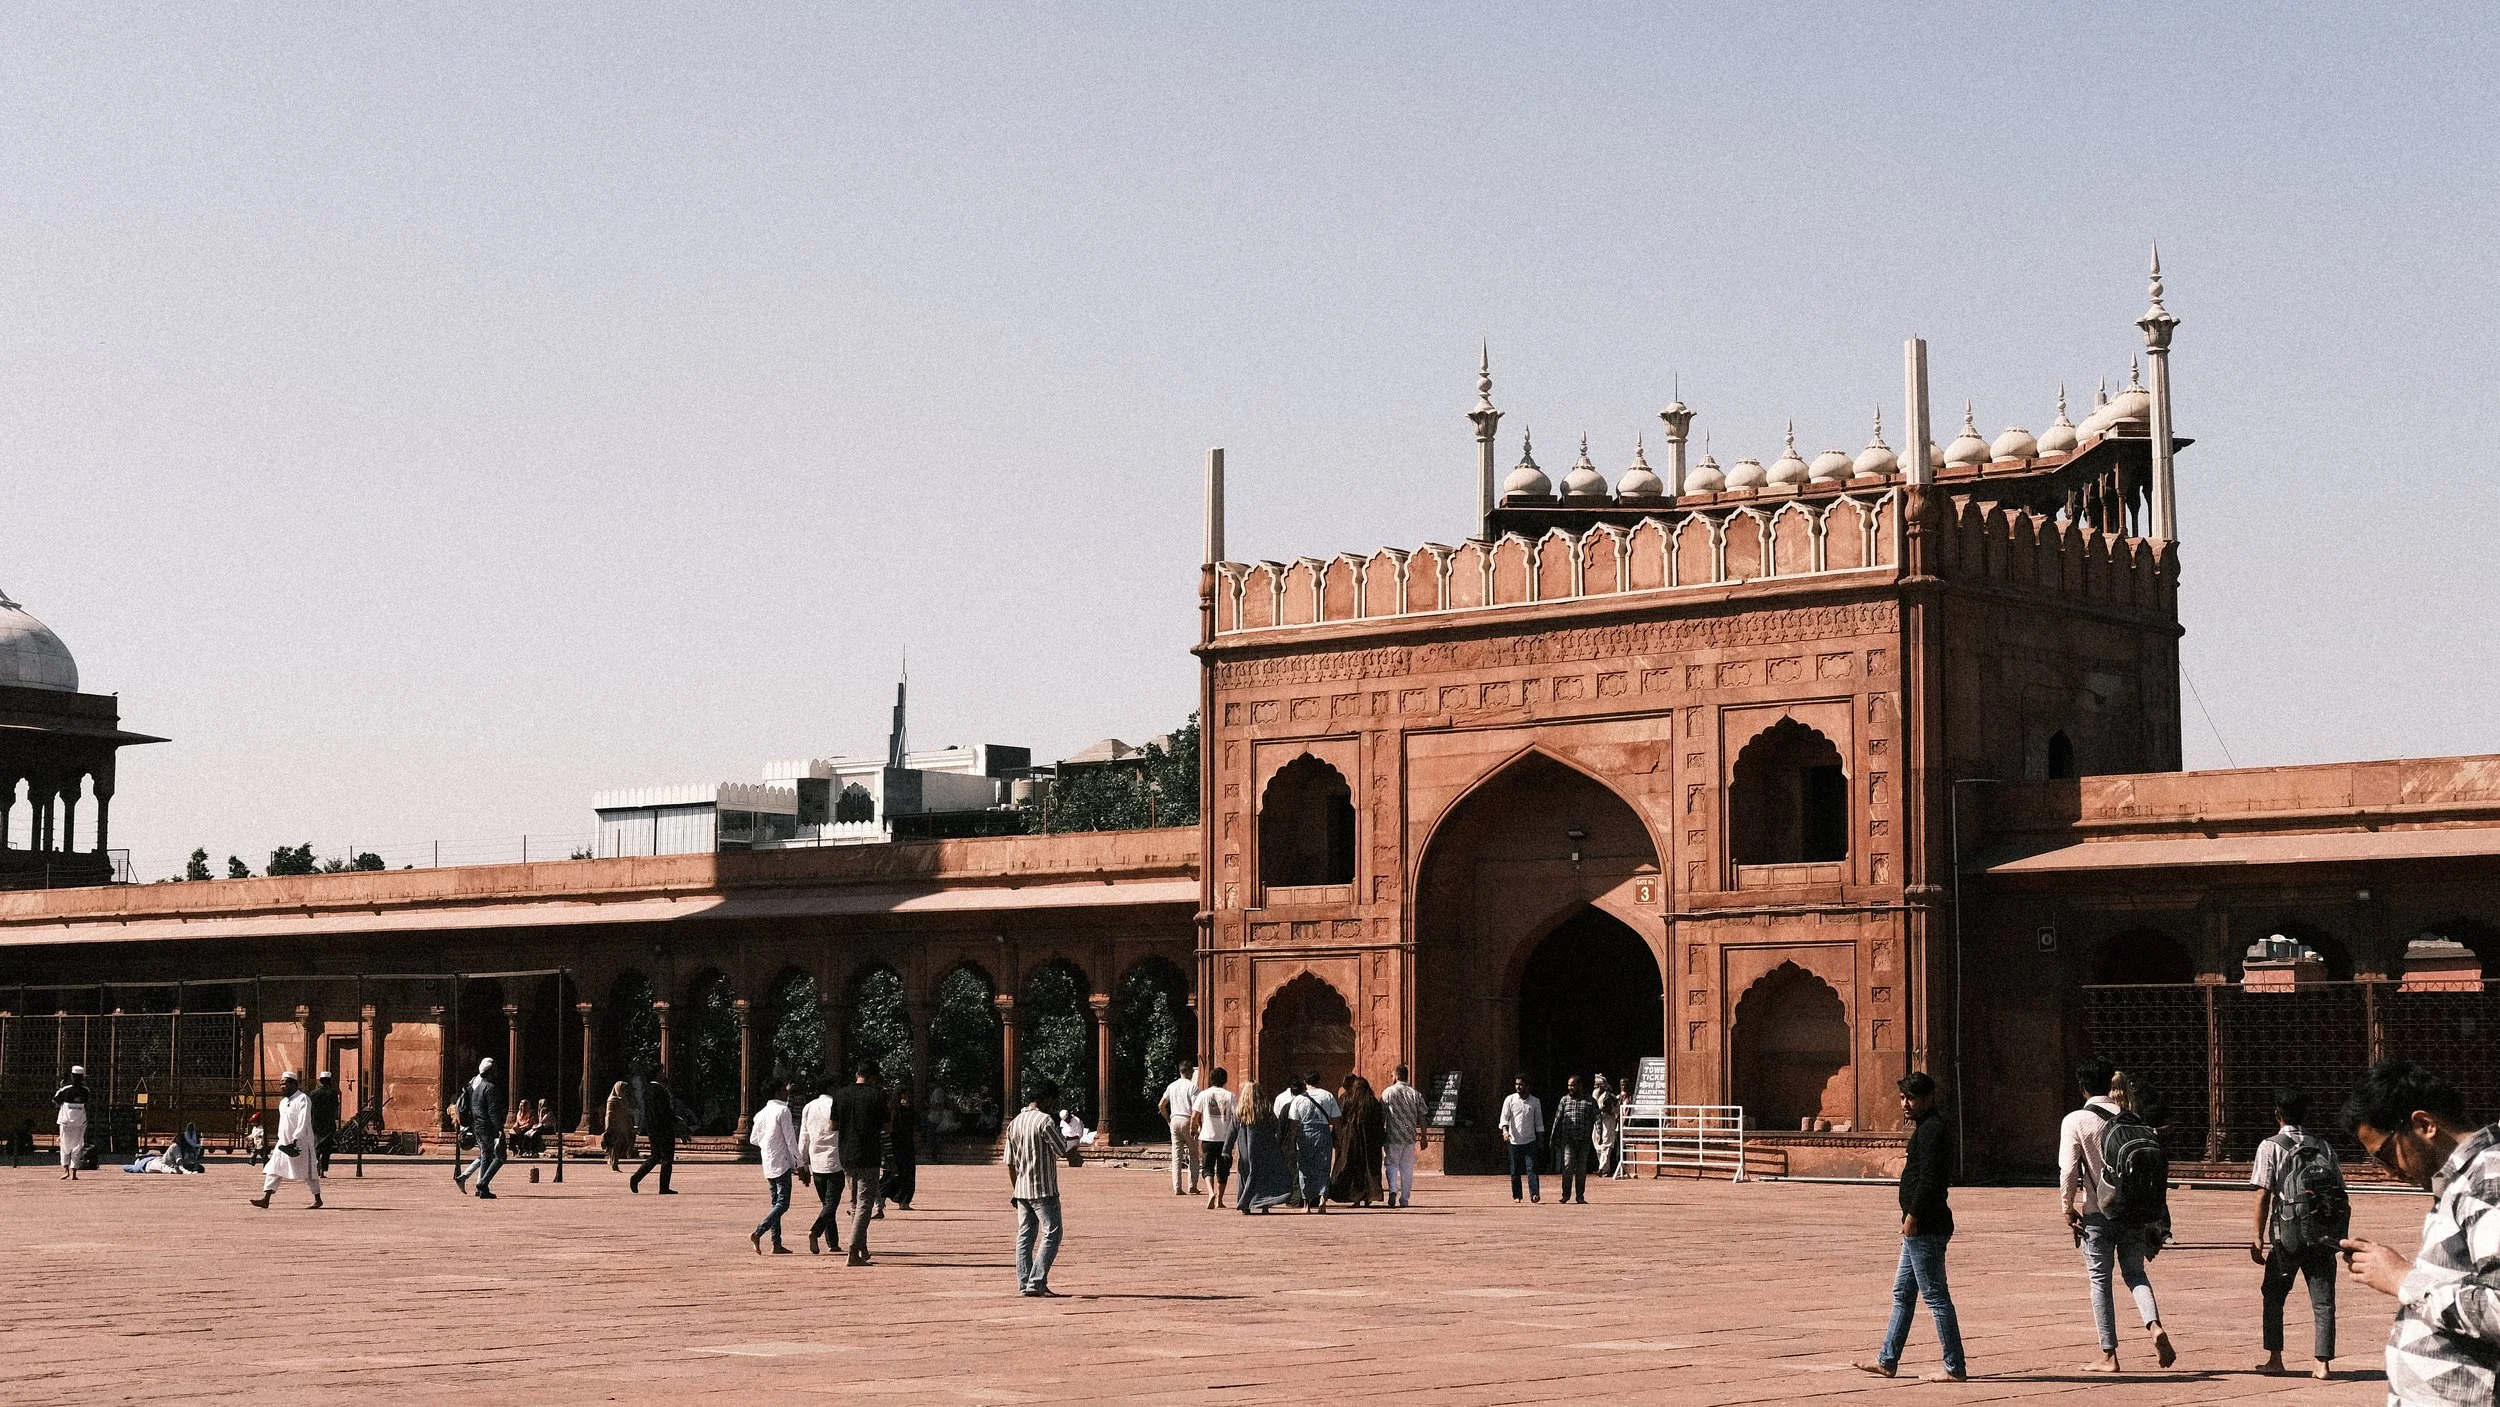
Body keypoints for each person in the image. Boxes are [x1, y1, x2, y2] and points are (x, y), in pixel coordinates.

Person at [2337, 1060, 2500, 1402]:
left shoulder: (2489, 1179)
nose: (2387, 1172)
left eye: (2385, 1154)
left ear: (2424, 1124)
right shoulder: (2462, 1181)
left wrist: (2402, 1279)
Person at [2058, 1059, 2174, 1371]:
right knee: (2135, 1274)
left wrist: (2067, 1209)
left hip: (2098, 1213)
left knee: (2099, 1279)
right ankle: (2154, 1326)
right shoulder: (2132, 1118)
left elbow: (2069, 1170)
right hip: (2133, 1212)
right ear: (2111, 1083)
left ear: (2083, 1088)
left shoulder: (2076, 1120)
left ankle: (2109, 1354)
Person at [1857, 1072, 1967, 1382]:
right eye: (1903, 1098)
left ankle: (1954, 1366)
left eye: (1911, 1098)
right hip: (1920, 1228)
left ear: (1928, 1098)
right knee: (1903, 1293)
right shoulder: (1926, 1128)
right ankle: (1887, 1359)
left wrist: (1913, 1215)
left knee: (1935, 1296)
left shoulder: (1931, 1130)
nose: (1906, 1104)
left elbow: (1930, 1180)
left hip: (1926, 1226)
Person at [2251, 1085, 2344, 1380]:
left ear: (2277, 1114)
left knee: (2274, 1293)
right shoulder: (2324, 1146)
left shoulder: (2270, 1145)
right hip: (2321, 1231)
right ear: (2306, 1113)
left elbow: (2263, 1194)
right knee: (2323, 1298)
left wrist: (2257, 1235)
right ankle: (2322, 1363)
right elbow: (2340, 1189)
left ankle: (2275, 1358)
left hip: (2286, 1233)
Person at [1004, 1079, 1070, 1296]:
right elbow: (1061, 1149)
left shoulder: (1015, 1123)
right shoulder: (1045, 1122)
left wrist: (1015, 1189)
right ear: (1045, 1099)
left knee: (1025, 1236)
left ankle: (1024, 1283)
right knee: (1052, 1232)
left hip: (1022, 1188)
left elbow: (1010, 1163)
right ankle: (1036, 1281)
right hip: (1043, 1188)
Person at [829, 1063, 888, 1266]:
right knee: (865, 1202)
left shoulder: (840, 1094)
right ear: (872, 1078)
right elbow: (887, 1126)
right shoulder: (877, 1096)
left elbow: (833, 1125)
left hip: (846, 1153)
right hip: (868, 1154)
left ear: (856, 1075)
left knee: (854, 1201)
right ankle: (853, 1250)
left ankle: (861, 1247)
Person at [251, 1071, 323, 1210]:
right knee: (274, 1168)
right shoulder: (283, 1102)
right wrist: (282, 1139)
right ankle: (266, 1198)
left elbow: (304, 1120)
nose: (282, 1087)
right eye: (281, 1084)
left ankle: (317, 1198)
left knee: (309, 1172)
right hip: (283, 1143)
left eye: (285, 1084)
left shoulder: (303, 1099)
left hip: (301, 1143)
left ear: (294, 1084)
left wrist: (296, 1138)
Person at [748, 1077, 800, 1254]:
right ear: (778, 1092)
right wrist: (799, 1163)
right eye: (784, 1090)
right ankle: (759, 1231)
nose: (787, 1093)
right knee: (783, 1203)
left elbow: (753, 1139)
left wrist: (768, 1142)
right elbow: (790, 1140)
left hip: (768, 1161)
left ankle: (776, 1242)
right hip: (782, 1162)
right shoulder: (782, 1111)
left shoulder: (760, 1114)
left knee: (775, 1203)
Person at [1276, 1074, 1336, 1213]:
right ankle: (1322, 1197)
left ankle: (1306, 1204)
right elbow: (1336, 1119)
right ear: (1319, 1081)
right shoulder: (1327, 1096)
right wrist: (1337, 1136)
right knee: (1324, 1166)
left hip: (1305, 1133)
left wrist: (1292, 1141)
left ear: (1305, 1082)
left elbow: (1294, 1124)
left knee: (1304, 1167)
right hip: (1323, 1132)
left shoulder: (1298, 1099)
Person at [799, 1073, 845, 1255]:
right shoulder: (836, 1105)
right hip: (835, 1160)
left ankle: (832, 1242)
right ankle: (815, 1231)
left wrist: (802, 1163)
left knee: (826, 1204)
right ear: (832, 1088)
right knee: (832, 1203)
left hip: (816, 1162)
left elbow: (804, 1136)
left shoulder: (808, 1107)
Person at [1233, 1081, 1293, 1214]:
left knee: (1245, 1177)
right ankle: (1264, 1205)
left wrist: (1226, 1150)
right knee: (1265, 1177)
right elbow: (1275, 1126)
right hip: (1265, 1149)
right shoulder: (1265, 1108)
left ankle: (1245, 1205)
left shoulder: (1239, 1110)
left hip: (1245, 1151)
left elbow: (1232, 1131)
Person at [1328, 1074, 1385, 1207]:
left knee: (1353, 1167)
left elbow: (1339, 1119)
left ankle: (1356, 1196)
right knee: (1369, 1167)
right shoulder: (1373, 1102)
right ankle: (1369, 1195)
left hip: (1351, 1139)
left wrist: (1338, 1138)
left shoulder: (1347, 1099)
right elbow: (1379, 1122)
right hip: (1369, 1140)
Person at [454, 1057, 506, 1199]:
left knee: (486, 1155)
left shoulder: (477, 1087)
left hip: (477, 1126)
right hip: (487, 1127)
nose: (497, 1072)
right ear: (490, 1071)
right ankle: (483, 1183)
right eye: (494, 1070)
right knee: (500, 1156)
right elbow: (493, 1111)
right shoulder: (490, 1088)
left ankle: (482, 1189)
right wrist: (500, 1129)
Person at [1192, 1067, 1239, 1209]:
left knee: (1207, 1167)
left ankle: (1211, 1192)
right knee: (1223, 1169)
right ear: (1225, 1080)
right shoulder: (1230, 1096)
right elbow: (1236, 1116)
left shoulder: (1204, 1095)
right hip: (1225, 1138)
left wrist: (1193, 1128)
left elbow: (1195, 1115)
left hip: (1208, 1136)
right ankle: (1220, 1200)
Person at [1380, 1066, 1426, 1209]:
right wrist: (1423, 1136)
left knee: (1391, 1164)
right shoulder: (1415, 1093)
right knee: (1407, 1168)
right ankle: (1404, 1199)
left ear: (1397, 1076)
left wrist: (1380, 1132)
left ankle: (1393, 1189)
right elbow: (1423, 1115)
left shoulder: (1388, 1092)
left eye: (1392, 1075)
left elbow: (1382, 1114)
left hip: (1393, 1135)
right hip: (1409, 1136)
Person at [628, 1072, 679, 1194]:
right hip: (663, 1128)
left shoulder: (647, 1090)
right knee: (667, 1157)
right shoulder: (660, 1091)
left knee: (655, 1156)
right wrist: (676, 1120)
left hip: (652, 1128)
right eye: (660, 1072)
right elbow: (664, 1111)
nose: (663, 1074)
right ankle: (664, 1187)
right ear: (656, 1075)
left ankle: (636, 1178)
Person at [1551, 1075, 1598, 1205]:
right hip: (1568, 1140)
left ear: (1580, 1086)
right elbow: (1557, 1119)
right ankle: (1565, 1195)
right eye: (1569, 1086)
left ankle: (1580, 1196)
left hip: (1584, 1140)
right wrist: (1553, 1137)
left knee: (1581, 1169)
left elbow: (1597, 1118)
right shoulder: (1564, 1100)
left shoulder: (1590, 1101)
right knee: (1567, 1166)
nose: (1570, 1088)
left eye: (1573, 1085)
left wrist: (1598, 1134)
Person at [1499, 1073, 1544, 1204]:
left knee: (1532, 1168)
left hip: (1530, 1140)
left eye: (1521, 1084)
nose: (1518, 1086)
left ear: (1527, 1086)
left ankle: (1534, 1194)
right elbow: (1504, 1118)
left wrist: (1540, 1140)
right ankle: (1517, 1195)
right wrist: (1505, 1132)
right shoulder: (1510, 1100)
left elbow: (1539, 1122)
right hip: (1514, 1141)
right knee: (1515, 1170)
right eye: (1516, 1084)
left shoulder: (1535, 1102)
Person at [1159, 1061, 1200, 1197]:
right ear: (1189, 1072)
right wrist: (1197, 1125)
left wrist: (1168, 1120)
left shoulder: (1172, 1086)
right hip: (1187, 1119)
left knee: (1177, 1156)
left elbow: (1161, 1105)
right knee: (1193, 1154)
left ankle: (1177, 1187)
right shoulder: (1193, 1087)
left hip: (1175, 1119)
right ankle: (1192, 1186)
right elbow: (1196, 1108)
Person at [882, 1088, 920, 1212]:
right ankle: (880, 1197)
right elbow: (889, 1125)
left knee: (907, 1174)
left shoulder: (907, 1109)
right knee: (892, 1173)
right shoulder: (892, 1108)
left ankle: (904, 1201)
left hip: (906, 1145)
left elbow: (916, 1121)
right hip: (895, 1145)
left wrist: (908, 1109)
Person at [52, 1065, 88, 1181]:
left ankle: (66, 1171)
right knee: (77, 1147)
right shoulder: (85, 1090)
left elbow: (56, 1100)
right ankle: (74, 1174)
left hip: (65, 1122)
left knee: (64, 1146)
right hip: (80, 1122)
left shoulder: (65, 1089)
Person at [310, 1071, 342, 1175]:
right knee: (326, 1148)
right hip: (328, 1124)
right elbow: (336, 1106)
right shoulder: (333, 1093)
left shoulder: (313, 1093)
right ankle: (323, 1170)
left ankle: (315, 1167)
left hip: (316, 1124)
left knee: (317, 1146)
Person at [601, 1081, 637, 1171]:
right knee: (615, 1145)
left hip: (623, 1125)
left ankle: (614, 1161)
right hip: (615, 1126)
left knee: (623, 1144)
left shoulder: (624, 1100)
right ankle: (614, 1164)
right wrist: (608, 1126)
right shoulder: (612, 1100)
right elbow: (609, 1114)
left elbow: (627, 1113)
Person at [1591, 1072, 1621, 1178]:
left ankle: (1602, 1168)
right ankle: (1606, 1169)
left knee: (1606, 1144)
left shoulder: (1610, 1096)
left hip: (1607, 1121)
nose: (1595, 1086)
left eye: (1596, 1084)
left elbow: (1618, 1109)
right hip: (1597, 1121)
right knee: (1597, 1144)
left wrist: (1609, 1109)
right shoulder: (1594, 1095)